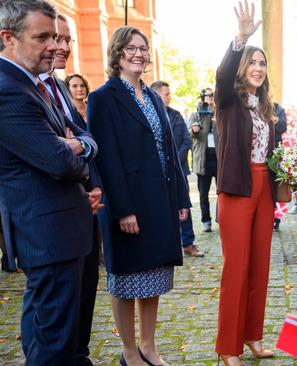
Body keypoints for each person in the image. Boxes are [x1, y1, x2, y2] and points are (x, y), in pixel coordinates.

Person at [87, 26, 191, 366]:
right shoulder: (102, 98)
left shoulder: (154, 97)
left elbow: (170, 154)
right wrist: (123, 210)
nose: (138, 54)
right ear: (117, 53)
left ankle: (149, 345)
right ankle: (129, 351)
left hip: (159, 200)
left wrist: (180, 200)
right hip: (128, 202)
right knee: (126, 277)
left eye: (143, 48)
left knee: (154, 274)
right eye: (131, 48)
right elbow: (107, 158)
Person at [0, 1, 97, 364]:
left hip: (59, 232)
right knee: (52, 347)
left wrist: (76, 144)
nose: (55, 46)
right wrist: (73, 148)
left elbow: (83, 141)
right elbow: (60, 162)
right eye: (42, 37)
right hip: (47, 234)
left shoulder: (33, 84)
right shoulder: (8, 90)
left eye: (56, 37)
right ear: (8, 38)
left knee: (54, 338)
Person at [214, 1, 277, 364]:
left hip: (264, 187)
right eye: (252, 62)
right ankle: (227, 347)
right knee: (236, 268)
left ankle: (253, 336)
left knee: (260, 266)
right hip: (236, 189)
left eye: (262, 63)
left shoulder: (266, 107)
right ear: (242, 67)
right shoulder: (228, 100)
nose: (257, 68)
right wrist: (240, 38)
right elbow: (222, 75)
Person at [42, 14, 104, 366]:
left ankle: (80, 355)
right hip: (51, 214)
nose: (63, 47)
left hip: (86, 203)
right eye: (56, 38)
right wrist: (78, 146)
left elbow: (85, 139)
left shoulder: (61, 86)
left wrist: (92, 184)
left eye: (68, 41)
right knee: (56, 310)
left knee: (86, 288)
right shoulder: (26, 90)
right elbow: (53, 152)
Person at [151, 80, 202, 258]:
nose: (169, 97)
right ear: (156, 94)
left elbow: (185, 140)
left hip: (179, 170)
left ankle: (188, 243)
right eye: (166, 94)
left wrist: (173, 162)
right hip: (156, 172)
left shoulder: (176, 115)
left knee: (184, 206)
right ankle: (165, 244)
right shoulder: (148, 114)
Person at [189, 88, 218, 233]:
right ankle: (206, 220)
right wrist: (195, 130)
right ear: (203, 97)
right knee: (203, 194)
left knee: (223, 193)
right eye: (208, 95)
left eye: (213, 95)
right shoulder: (197, 114)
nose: (211, 97)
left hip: (219, 159)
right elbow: (191, 133)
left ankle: (221, 217)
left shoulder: (220, 113)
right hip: (204, 160)